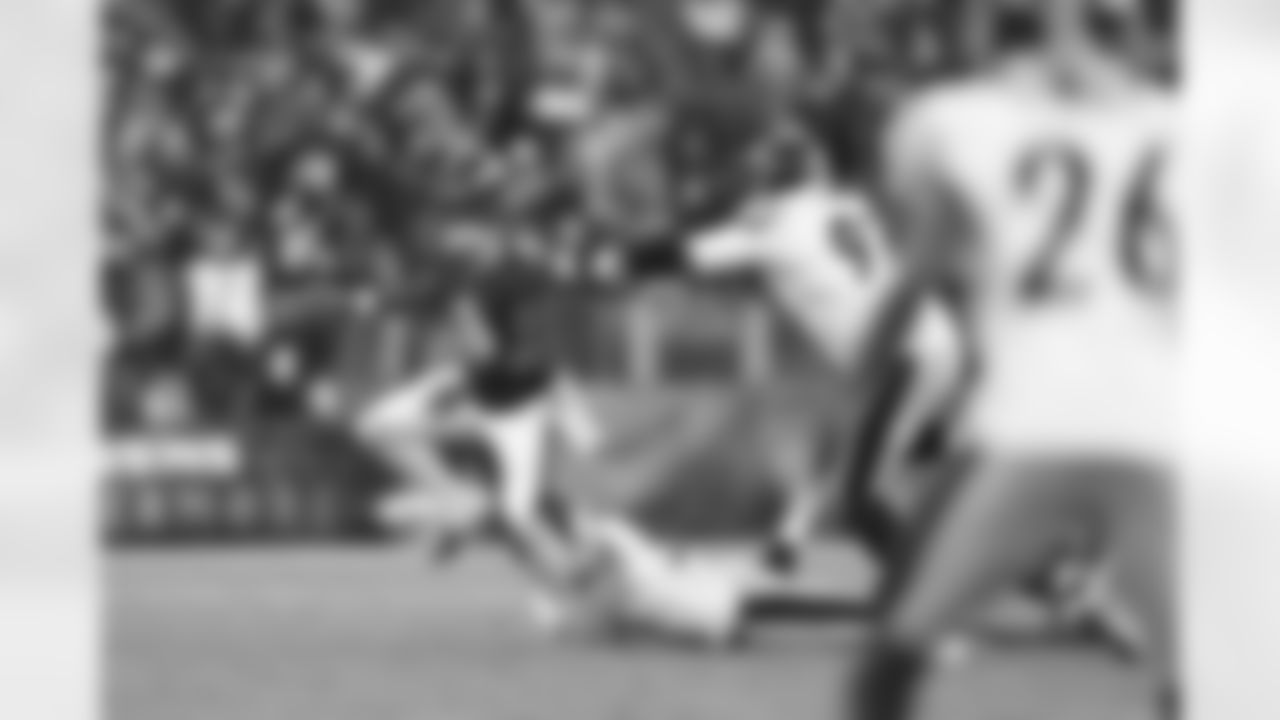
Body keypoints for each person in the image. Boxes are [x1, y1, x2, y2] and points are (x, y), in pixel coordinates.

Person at [844, 0, 1178, 718]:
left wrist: (866, 361)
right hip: (1152, 427)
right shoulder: (1195, 130)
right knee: (1196, 669)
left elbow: (921, 268)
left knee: (896, 650)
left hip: (1038, 426)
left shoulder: (959, 123)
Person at [590, 128, 965, 569]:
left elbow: (679, 255)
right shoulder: (844, 203)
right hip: (935, 337)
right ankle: (790, 539)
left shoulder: (771, 230)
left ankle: (930, 584)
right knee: (869, 444)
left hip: (899, 362)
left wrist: (608, 263)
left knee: (858, 497)